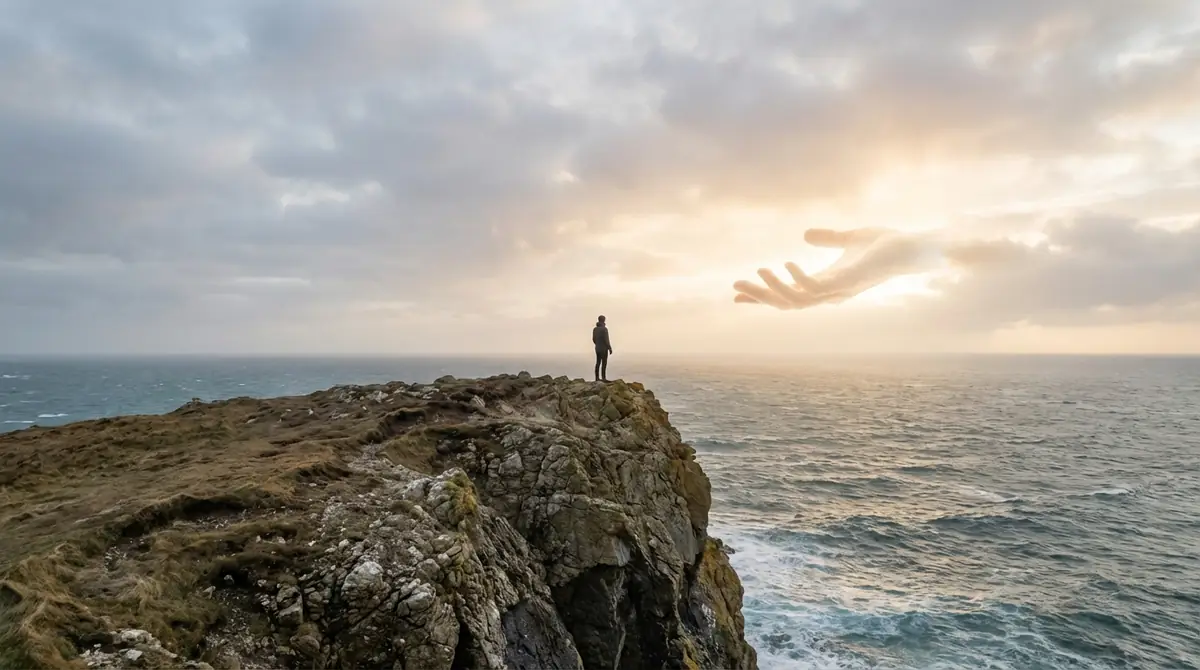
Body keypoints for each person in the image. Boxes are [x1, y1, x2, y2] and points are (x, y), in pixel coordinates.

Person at [592, 315, 613, 381]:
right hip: (604, 348)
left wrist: (597, 344)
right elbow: (606, 339)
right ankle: (603, 378)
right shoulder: (604, 329)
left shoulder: (595, 329)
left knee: (598, 362)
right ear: (603, 320)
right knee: (604, 363)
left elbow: (594, 339)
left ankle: (597, 378)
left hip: (597, 348)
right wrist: (609, 348)